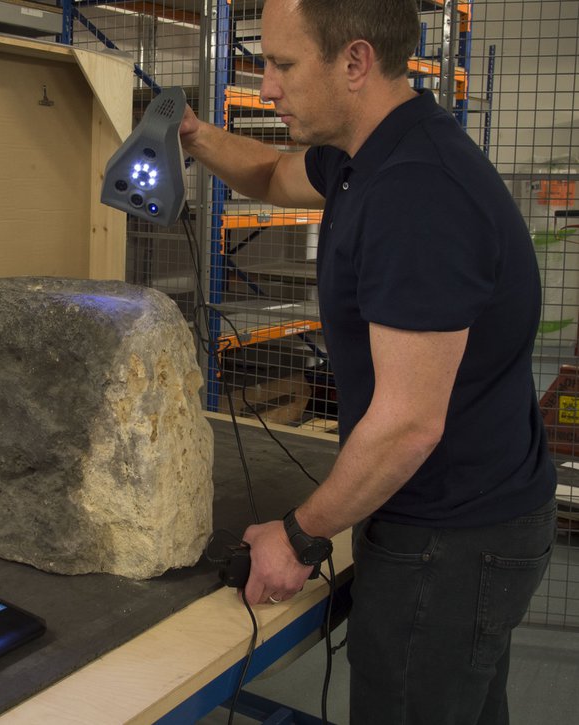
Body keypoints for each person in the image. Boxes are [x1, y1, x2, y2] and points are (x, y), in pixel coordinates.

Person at [179, 1, 557, 723]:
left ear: (355, 61)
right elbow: (273, 174)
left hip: (451, 539)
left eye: (283, 64)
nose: (267, 87)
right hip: (470, 514)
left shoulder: (419, 194)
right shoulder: (371, 152)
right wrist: (194, 136)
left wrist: (299, 534)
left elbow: (409, 423)